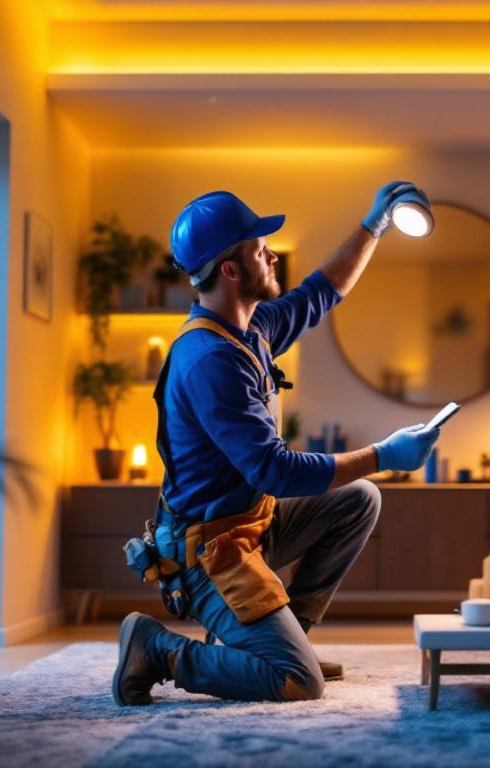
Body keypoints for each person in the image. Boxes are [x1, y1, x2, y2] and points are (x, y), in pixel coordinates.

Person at [112, 182, 442, 706]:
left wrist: (373, 226)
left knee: (358, 499)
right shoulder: (210, 360)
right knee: (296, 683)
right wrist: (383, 456)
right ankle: (157, 650)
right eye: (258, 246)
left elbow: (320, 293)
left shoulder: (251, 328)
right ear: (231, 270)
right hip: (210, 555)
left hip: (252, 527)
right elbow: (276, 471)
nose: (270, 252)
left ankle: (290, 639)